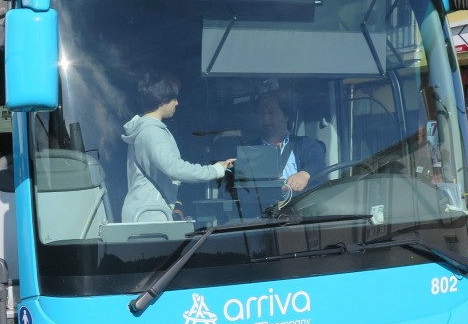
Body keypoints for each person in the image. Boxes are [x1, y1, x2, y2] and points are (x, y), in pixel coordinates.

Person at [122, 73, 236, 222]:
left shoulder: (145, 129)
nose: (177, 103)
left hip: (146, 213)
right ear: (162, 99)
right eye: (173, 98)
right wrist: (214, 170)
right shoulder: (152, 132)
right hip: (151, 217)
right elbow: (174, 168)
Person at [253, 89, 325, 192]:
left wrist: (305, 174)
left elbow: (318, 163)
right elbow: (245, 189)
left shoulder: (305, 144)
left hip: (299, 206)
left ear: (286, 117)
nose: (265, 118)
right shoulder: (250, 149)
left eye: (271, 113)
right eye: (261, 113)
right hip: (263, 208)